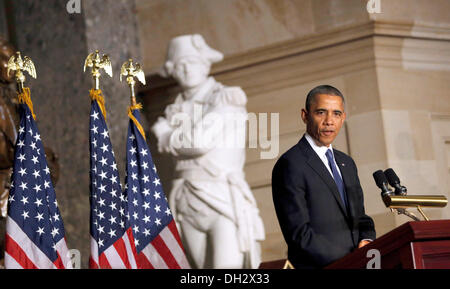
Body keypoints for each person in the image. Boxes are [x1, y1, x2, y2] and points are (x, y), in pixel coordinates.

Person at [151, 34, 264, 269]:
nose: (186, 69)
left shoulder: (226, 97)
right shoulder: (175, 108)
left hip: (221, 197)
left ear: (205, 64)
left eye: (191, 61)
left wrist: (165, 136)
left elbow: (200, 141)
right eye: (179, 64)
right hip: (186, 199)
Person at [271, 85, 375, 269]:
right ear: (305, 115)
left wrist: (367, 240)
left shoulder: (347, 163)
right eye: (321, 112)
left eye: (336, 113)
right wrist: (348, 262)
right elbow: (299, 235)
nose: (329, 121)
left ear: (343, 118)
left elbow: (360, 218)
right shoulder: (290, 164)